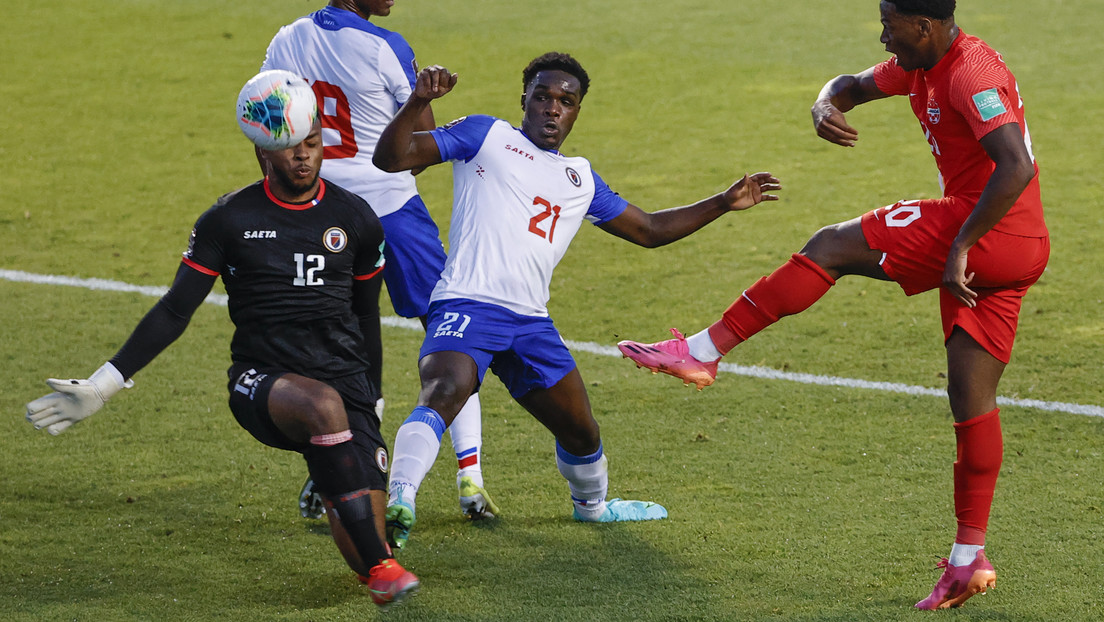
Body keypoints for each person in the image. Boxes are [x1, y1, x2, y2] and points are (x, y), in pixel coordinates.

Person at [617, 0, 1047, 611]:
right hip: (1019, 245)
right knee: (970, 398)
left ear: (922, 25)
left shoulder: (969, 73)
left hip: (988, 231)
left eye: (889, 21)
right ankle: (966, 558)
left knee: (831, 246)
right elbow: (847, 85)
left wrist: (962, 246)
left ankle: (704, 351)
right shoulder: (921, 62)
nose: (882, 33)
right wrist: (824, 105)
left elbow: (1016, 166)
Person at [372, 51, 780, 549]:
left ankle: (593, 508)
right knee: (444, 391)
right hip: (467, 304)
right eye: (542, 96)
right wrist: (417, 101)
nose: (552, 108)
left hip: (530, 324)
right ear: (524, 99)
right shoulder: (485, 136)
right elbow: (391, 159)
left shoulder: (580, 179)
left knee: (582, 432)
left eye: (566, 101)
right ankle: (400, 500)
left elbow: (649, 230)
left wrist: (722, 202)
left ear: (577, 110)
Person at [24, 105, 418, 610]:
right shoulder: (229, 219)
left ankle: (352, 514)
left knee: (365, 542)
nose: (304, 155)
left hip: (346, 384)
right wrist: (103, 384)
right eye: (290, 145)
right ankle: (383, 565)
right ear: (262, 151)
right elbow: (175, 310)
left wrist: (376, 398)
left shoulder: (356, 217)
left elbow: (366, 316)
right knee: (323, 409)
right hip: (263, 381)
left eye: (313, 142)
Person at [260, 0, 496, 521]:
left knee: (340, 348)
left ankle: (332, 476)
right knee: (451, 331)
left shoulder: (284, 41)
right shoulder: (386, 46)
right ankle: (471, 479)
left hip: (322, 216)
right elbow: (417, 143)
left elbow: (268, 121)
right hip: (393, 210)